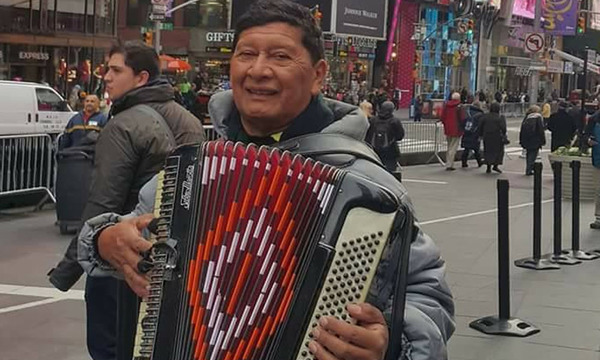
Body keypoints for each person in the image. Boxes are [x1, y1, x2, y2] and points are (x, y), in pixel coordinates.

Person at [78, 2, 455, 359]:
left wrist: (389, 341)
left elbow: (429, 293)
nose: (258, 70)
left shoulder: (363, 183)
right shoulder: (195, 168)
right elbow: (131, 233)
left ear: (318, 75)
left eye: (280, 56)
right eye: (246, 55)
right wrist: (107, 239)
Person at [51, 41, 205, 360]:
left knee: (111, 346)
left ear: (141, 78)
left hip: (121, 257)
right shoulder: (189, 120)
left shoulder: (122, 126)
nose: (106, 76)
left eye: (116, 70)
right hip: (180, 258)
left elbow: (102, 202)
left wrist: (68, 269)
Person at [366, 100, 405, 172]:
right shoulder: (394, 121)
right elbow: (400, 136)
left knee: (375, 170)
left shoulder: (373, 120)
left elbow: (368, 134)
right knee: (390, 172)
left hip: (374, 150)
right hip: (390, 150)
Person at [478, 102, 507, 174]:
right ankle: (496, 165)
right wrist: (504, 134)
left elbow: (480, 126)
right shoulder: (500, 117)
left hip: (487, 136)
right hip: (497, 137)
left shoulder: (485, 116)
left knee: (488, 151)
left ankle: (488, 167)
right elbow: (503, 128)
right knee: (498, 152)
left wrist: (480, 135)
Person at [583, 112, 600, 229]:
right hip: (598, 159)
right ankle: (598, 218)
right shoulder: (594, 119)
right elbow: (585, 135)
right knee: (599, 190)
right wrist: (588, 140)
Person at [519, 105, 546, 176]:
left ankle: (529, 168)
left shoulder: (527, 117)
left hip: (527, 139)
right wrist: (543, 140)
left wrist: (521, 140)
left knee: (529, 154)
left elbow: (522, 129)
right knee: (533, 155)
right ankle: (529, 169)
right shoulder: (538, 117)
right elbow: (540, 130)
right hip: (535, 140)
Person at [440, 92, 463, 171]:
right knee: (453, 147)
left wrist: (445, 124)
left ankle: (448, 163)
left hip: (448, 128)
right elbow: (462, 118)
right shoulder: (459, 106)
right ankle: (450, 164)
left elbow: (442, 116)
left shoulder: (446, 105)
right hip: (456, 128)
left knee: (449, 146)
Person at [460, 102, 484, 168]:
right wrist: (481, 134)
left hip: (467, 132)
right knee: (476, 149)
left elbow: (463, 122)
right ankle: (479, 162)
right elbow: (481, 125)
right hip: (475, 133)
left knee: (466, 149)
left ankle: (464, 162)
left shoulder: (468, 112)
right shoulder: (480, 114)